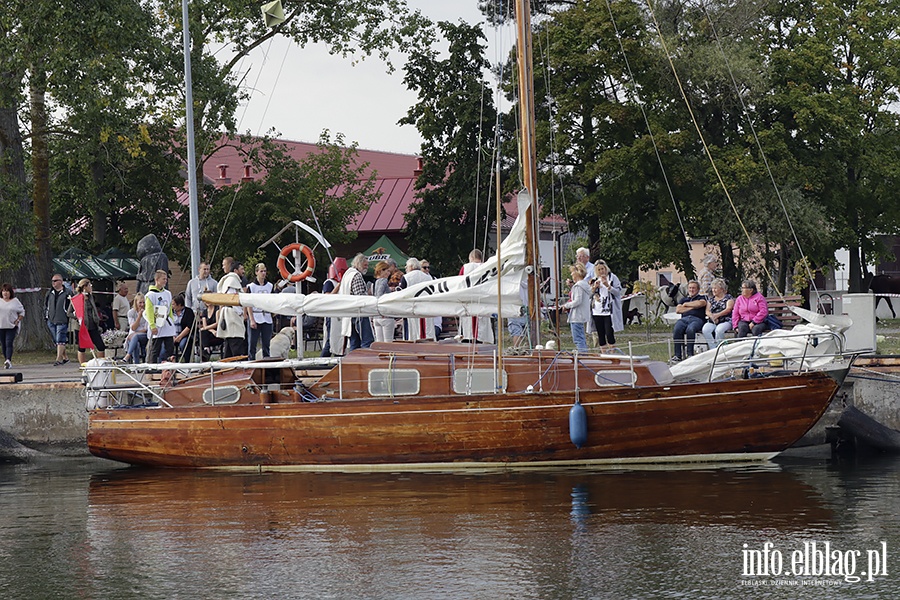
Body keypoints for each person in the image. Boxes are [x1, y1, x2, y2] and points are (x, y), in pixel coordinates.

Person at [338, 254, 374, 352]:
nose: (367, 267)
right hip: (359, 313)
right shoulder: (356, 276)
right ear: (359, 263)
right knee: (367, 341)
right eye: (365, 265)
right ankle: (366, 363)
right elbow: (360, 296)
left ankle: (352, 364)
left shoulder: (347, 274)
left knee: (354, 342)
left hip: (349, 313)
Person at [459, 249, 494, 344]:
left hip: (468, 301)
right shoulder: (486, 267)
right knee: (482, 330)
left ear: (471, 258)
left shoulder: (465, 267)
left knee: (468, 328)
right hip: (482, 301)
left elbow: (459, 283)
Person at [69, 279, 106, 364]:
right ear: (84, 287)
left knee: (100, 346)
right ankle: (83, 366)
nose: (91, 287)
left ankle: (100, 364)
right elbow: (69, 313)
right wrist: (77, 316)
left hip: (92, 325)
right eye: (89, 286)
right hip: (81, 326)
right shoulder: (77, 298)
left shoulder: (90, 297)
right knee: (82, 347)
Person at [398, 257, 435, 341]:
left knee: (411, 333)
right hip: (426, 309)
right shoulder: (428, 278)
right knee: (427, 331)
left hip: (411, 309)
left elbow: (400, 294)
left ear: (410, 267)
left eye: (406, 267)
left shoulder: (406, 277)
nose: (406, 269)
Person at [671, 280, 707, 362]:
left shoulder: (702, 297)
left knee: (690, 329)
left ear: (698, 289)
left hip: (697, 319)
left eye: (694, 288)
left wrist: (686, 305)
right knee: (677, 329)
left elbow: (700, 304)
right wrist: (693, 306)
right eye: (690, 288)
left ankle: (690, 354)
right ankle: (677, 355)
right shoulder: (683, 299)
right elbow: (678, 310)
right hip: (684, 319)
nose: (691, 290)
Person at [216, 261, 246, 358]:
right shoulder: (232, 281)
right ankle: (237, 368)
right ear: (235, 270)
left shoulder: (232, 280)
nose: (243, 271)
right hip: (232, 316)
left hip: (230, 314)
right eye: (242, 269)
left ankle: (228, 368)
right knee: (235, 343)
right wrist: (240, 312)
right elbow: (232, 299)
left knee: (229, 346)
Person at [144, 270, 175, 363]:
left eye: (166, 279)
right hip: (156, 324)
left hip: (166, 323)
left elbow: (169, 308)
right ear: (157, 280)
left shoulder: (168, 293)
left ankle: (170, 366)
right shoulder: (150, 295)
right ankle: (152, 368)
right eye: (163, 279)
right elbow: (149, 311)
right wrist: (152, 325)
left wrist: (171, 320)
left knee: (170, 347)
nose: (165, 281)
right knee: (155, 348)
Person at [321, 257, 348, 357]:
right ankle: (322, 362)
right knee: (330, 340)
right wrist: (338, 287)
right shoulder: (329, 283)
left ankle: (338, 359)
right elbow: (327, 298)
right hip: (331, 315)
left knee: (338, 340)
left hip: (338, 315)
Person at [45, 273, 73, 366]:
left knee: (60, 339)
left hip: (62, 319)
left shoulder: (67, 292)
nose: (53, 283)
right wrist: (46, 315)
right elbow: (46, 305)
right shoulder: (49, 293)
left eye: (55, 281)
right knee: (56, 340)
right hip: (51, 319)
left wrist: (68, 314)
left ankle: (59, 359)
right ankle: (65, 358)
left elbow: (72, 305)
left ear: (61, 281)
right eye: (52, 281)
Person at [562, 263, 591, 353]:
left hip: (577, 316)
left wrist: (566, 305)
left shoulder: (578, 286)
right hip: (581, 315)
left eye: (572, 272)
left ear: (578, 273)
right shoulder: (584, 285)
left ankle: (583, 356)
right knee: (581, 338)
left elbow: (578, 301)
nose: (571, 274)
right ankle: (583, 354)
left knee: (578, 339)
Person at [590, 263, 618, 352]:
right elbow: (589, 294)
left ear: (606, 269)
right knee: (600, 333)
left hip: (608, 311)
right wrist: (594, 288)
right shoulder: (594, 280)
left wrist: (607, 286)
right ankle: (604, 353)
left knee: (609, 332)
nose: (601, 271)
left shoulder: (612, 279)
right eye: (599, 270)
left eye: (603, 269)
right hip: (597, 311)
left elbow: (617, 293)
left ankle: (613, 352)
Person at [247, 263, 273, 358]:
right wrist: (251, 319)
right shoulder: (251, 286)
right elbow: (249, 304)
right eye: (261, 271)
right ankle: (251, 362)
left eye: (264, 271)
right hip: (256, 315)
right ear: (256, 272)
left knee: (266, 343)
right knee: (252, 343)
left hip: (266, 316)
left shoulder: (269, 286)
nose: (263, 273)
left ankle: (266, 362)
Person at [701, 278, 735, 349]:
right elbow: (707, 311)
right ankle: (713, 349)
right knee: (705, 329)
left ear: (722, 289)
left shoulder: (728, 298)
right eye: (712, 288)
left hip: (726, 320)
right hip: (713, 321)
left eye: (715, 288)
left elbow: (728, 309)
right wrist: (712, 317)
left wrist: (717, 315)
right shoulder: (711, 299)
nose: (713, 290)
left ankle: (720, 348)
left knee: (719, 330)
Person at [0, 283, 25, 369]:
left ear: (10, 292)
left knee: (8, 342)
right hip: (1, 326)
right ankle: (6, 359)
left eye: (7, 291)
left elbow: (22, 312)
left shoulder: (15, 301)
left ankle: (8, 360)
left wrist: (18, 319)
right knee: (3, 344)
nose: (5, 293)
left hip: (11, 326)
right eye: (3, 291)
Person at [372, 261, 395, 343]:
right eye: (387, 271)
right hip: (385, 315)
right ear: (382, 270)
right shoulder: (384, 281)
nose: (389, 273)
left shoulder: (376, 282)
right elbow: (379, 294)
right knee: (388, 342)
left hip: (376, 316)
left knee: (379, 342)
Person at [123, 293, 149, 363]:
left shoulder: (147, 313)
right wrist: (139, 317)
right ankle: (136, 364)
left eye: (143, 302)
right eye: (140, 303)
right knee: (135, 343)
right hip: (133, 335)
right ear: (136, 302)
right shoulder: (131, 312)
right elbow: (133, 327)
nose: (142, 305)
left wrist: (134, 334)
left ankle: (128, 355)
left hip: (144, 335)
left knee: (135, 336)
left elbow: (145, 329)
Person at [171, 294, 195, 362]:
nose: (172, 306)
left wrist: (179, 337)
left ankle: (187, 363)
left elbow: (189, 327)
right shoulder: (171, 312)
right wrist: (173, 336)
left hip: (184, 336)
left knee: (183, 344)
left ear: (179, 305)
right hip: (172, 335)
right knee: (165, 347)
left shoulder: (188, 312)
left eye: (173, 304)